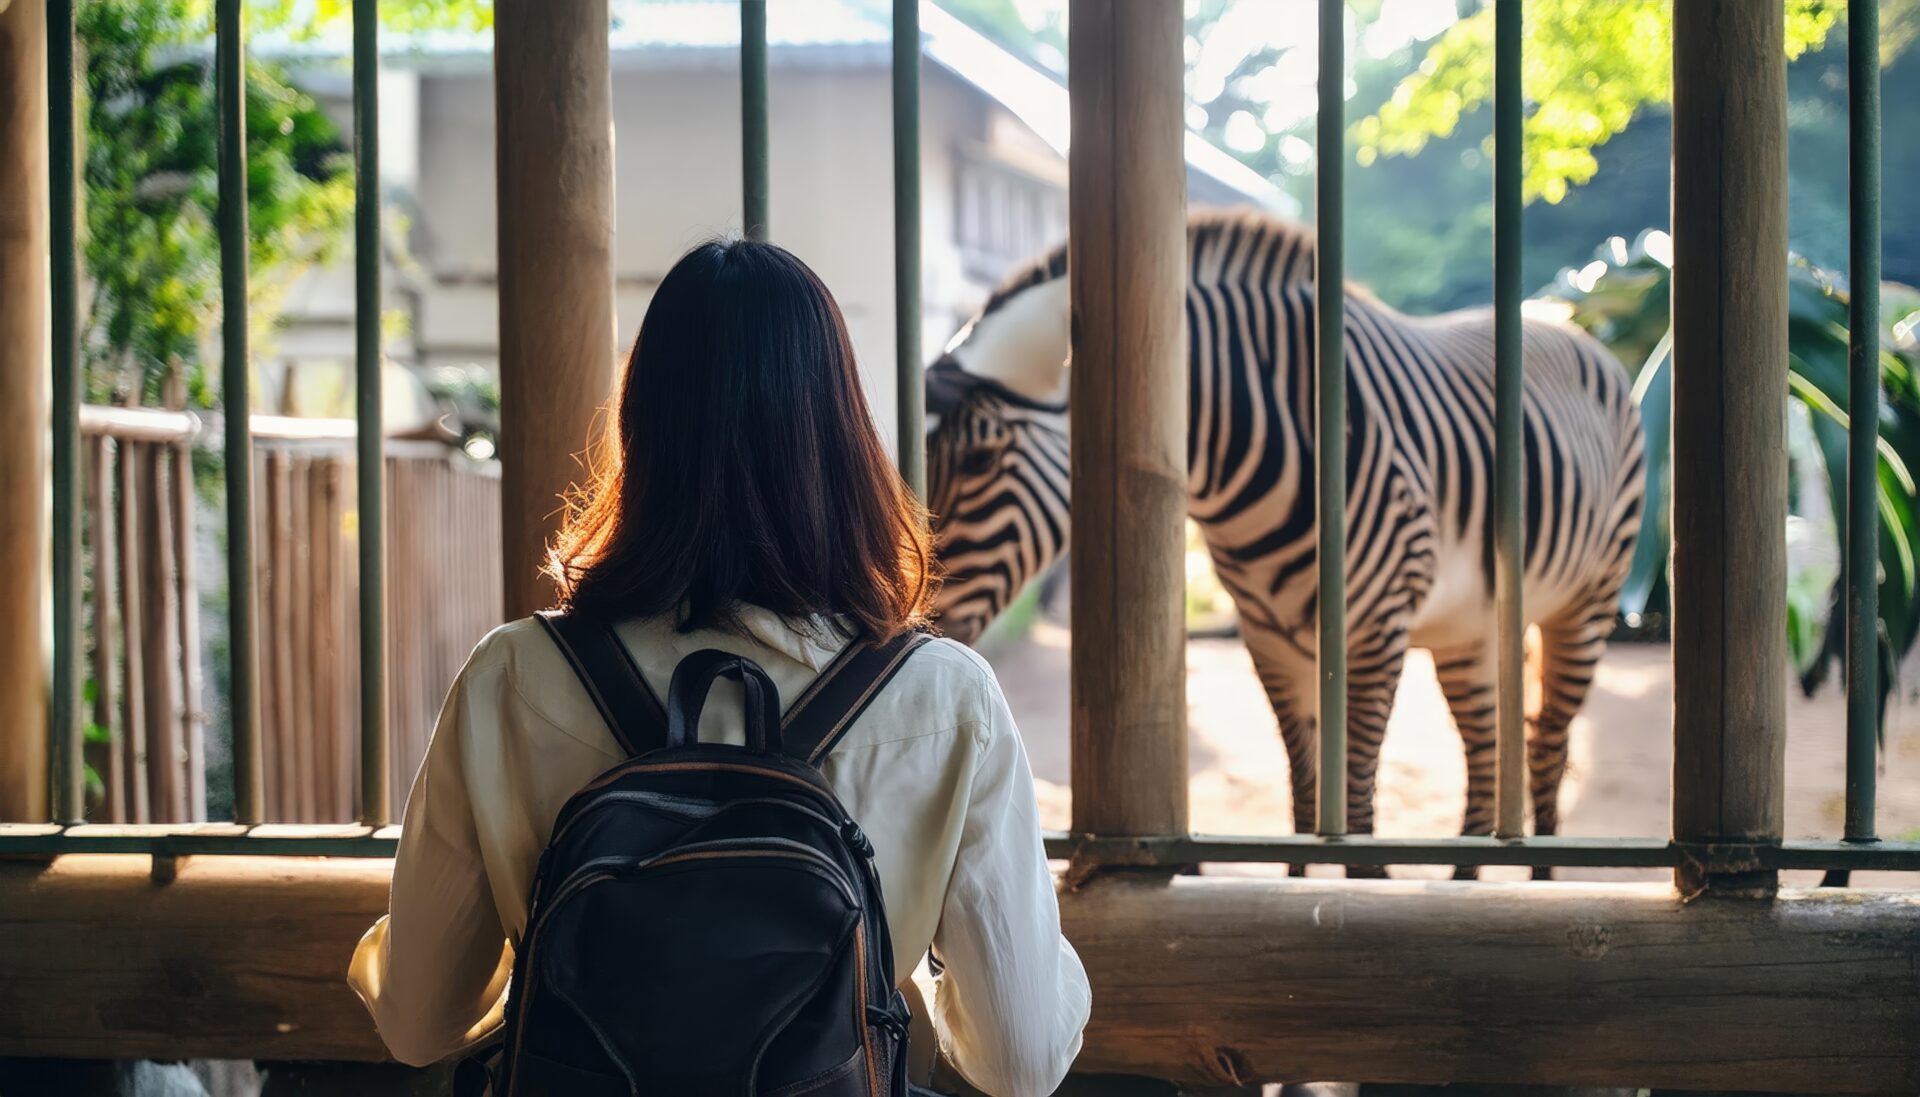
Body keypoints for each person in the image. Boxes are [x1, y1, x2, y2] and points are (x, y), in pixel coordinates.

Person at [348, 239, 1090, 1096]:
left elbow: (416, 1021)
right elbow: (1022, 1059)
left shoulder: (511, 676)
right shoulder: (946, 699)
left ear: (641, 425)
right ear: (842, 435)